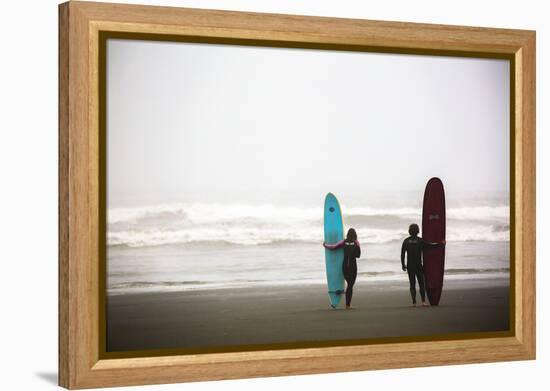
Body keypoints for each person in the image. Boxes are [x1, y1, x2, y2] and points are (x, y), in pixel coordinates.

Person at [400, 223, 445, 307]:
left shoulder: (406, 241)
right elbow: (431, 246)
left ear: (409, 231)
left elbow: (402, 254)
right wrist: (441, 244)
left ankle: (414, 302)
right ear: (417, 231)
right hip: (418, 266)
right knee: (421, 283)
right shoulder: (420, 241)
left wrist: (403, 265)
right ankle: (423, 301)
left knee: (412, 284)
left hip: (410, 266)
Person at [323, 228, 361, 309]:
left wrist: (325, 245)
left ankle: (345, 297)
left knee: (349, 285)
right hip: (352, 267)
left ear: (347, 234)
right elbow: (358, 255)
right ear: (355, 235)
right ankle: (347, 305)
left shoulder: (344, 242)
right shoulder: (356, 242)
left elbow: (334, 247)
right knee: (350, 285)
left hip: (344, 267)